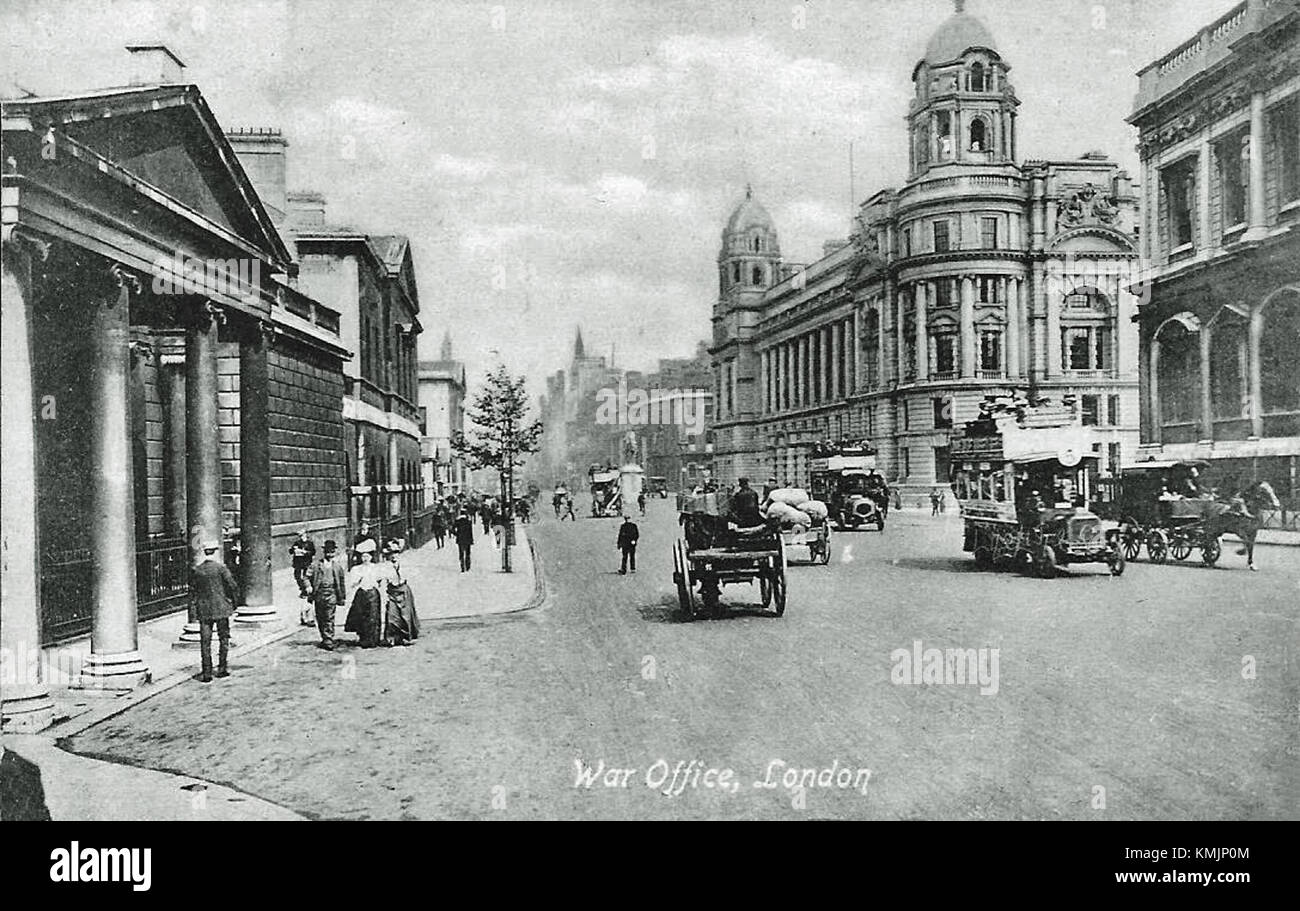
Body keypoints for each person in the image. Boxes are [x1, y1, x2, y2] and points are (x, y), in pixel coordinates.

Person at [191, 538, 239, 683]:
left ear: (205, 552)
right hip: (221, 608)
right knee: (223, 638)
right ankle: (222, 669)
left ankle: (207, 673)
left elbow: (193, 589)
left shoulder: (197, 570)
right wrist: (232, 602)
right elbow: (232, 586)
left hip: (204, 610)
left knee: (205, 642)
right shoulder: (221, 568)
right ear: (215, 552)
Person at [344, 539, 385, 648]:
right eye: (363, 556)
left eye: (367, 556)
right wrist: (358, 580)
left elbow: (380, 580)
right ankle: (363, 637)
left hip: (373, 593)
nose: (365, 559)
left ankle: (373, 639)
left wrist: (376, 584)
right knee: (361, 616)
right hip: (362, 593)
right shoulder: (356, 569)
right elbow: (352, 584)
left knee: (372, 616)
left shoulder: (375, 567)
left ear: (371, 557)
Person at [309, 539, 348, 651]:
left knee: (329, 616)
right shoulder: (316, 565)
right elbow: (307, 577)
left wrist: (342, 597)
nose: (329, 554)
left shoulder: (337, 567)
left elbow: (341, 582)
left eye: (332, 552)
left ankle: (329, 639)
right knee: (320, 616)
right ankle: (324, 636)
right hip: (319, 594)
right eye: (327, 552)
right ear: (324, 552)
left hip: (332, 594)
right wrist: (308, 586)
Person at [382, 542, 419, 646]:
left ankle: (404, 637)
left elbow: (411, 575)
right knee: (392, 615)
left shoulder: (405, 564)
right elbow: (382, 581)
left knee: (405, 616)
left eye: (396, 553)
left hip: (403, 591)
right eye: (391, 554)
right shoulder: (385, 567)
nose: (394, 556)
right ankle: (391, 638)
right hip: (392, 592)